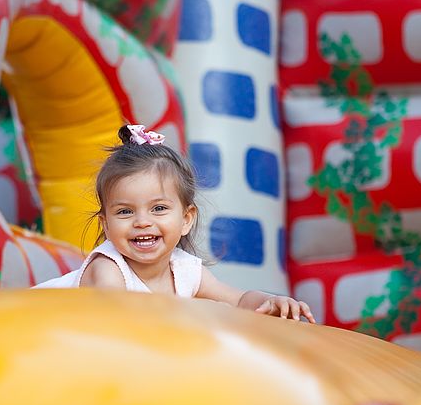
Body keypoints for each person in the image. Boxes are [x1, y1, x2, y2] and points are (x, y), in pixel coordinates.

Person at [34, 124, 316, 322]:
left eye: (158, 208)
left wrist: (270, 302)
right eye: (124, 212)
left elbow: (239, 300)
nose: (142, 222)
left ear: (186, 219)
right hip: (32, 325)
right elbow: (117, 321)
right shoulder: (108, 270)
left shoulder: (184, 270)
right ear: (106, 225)